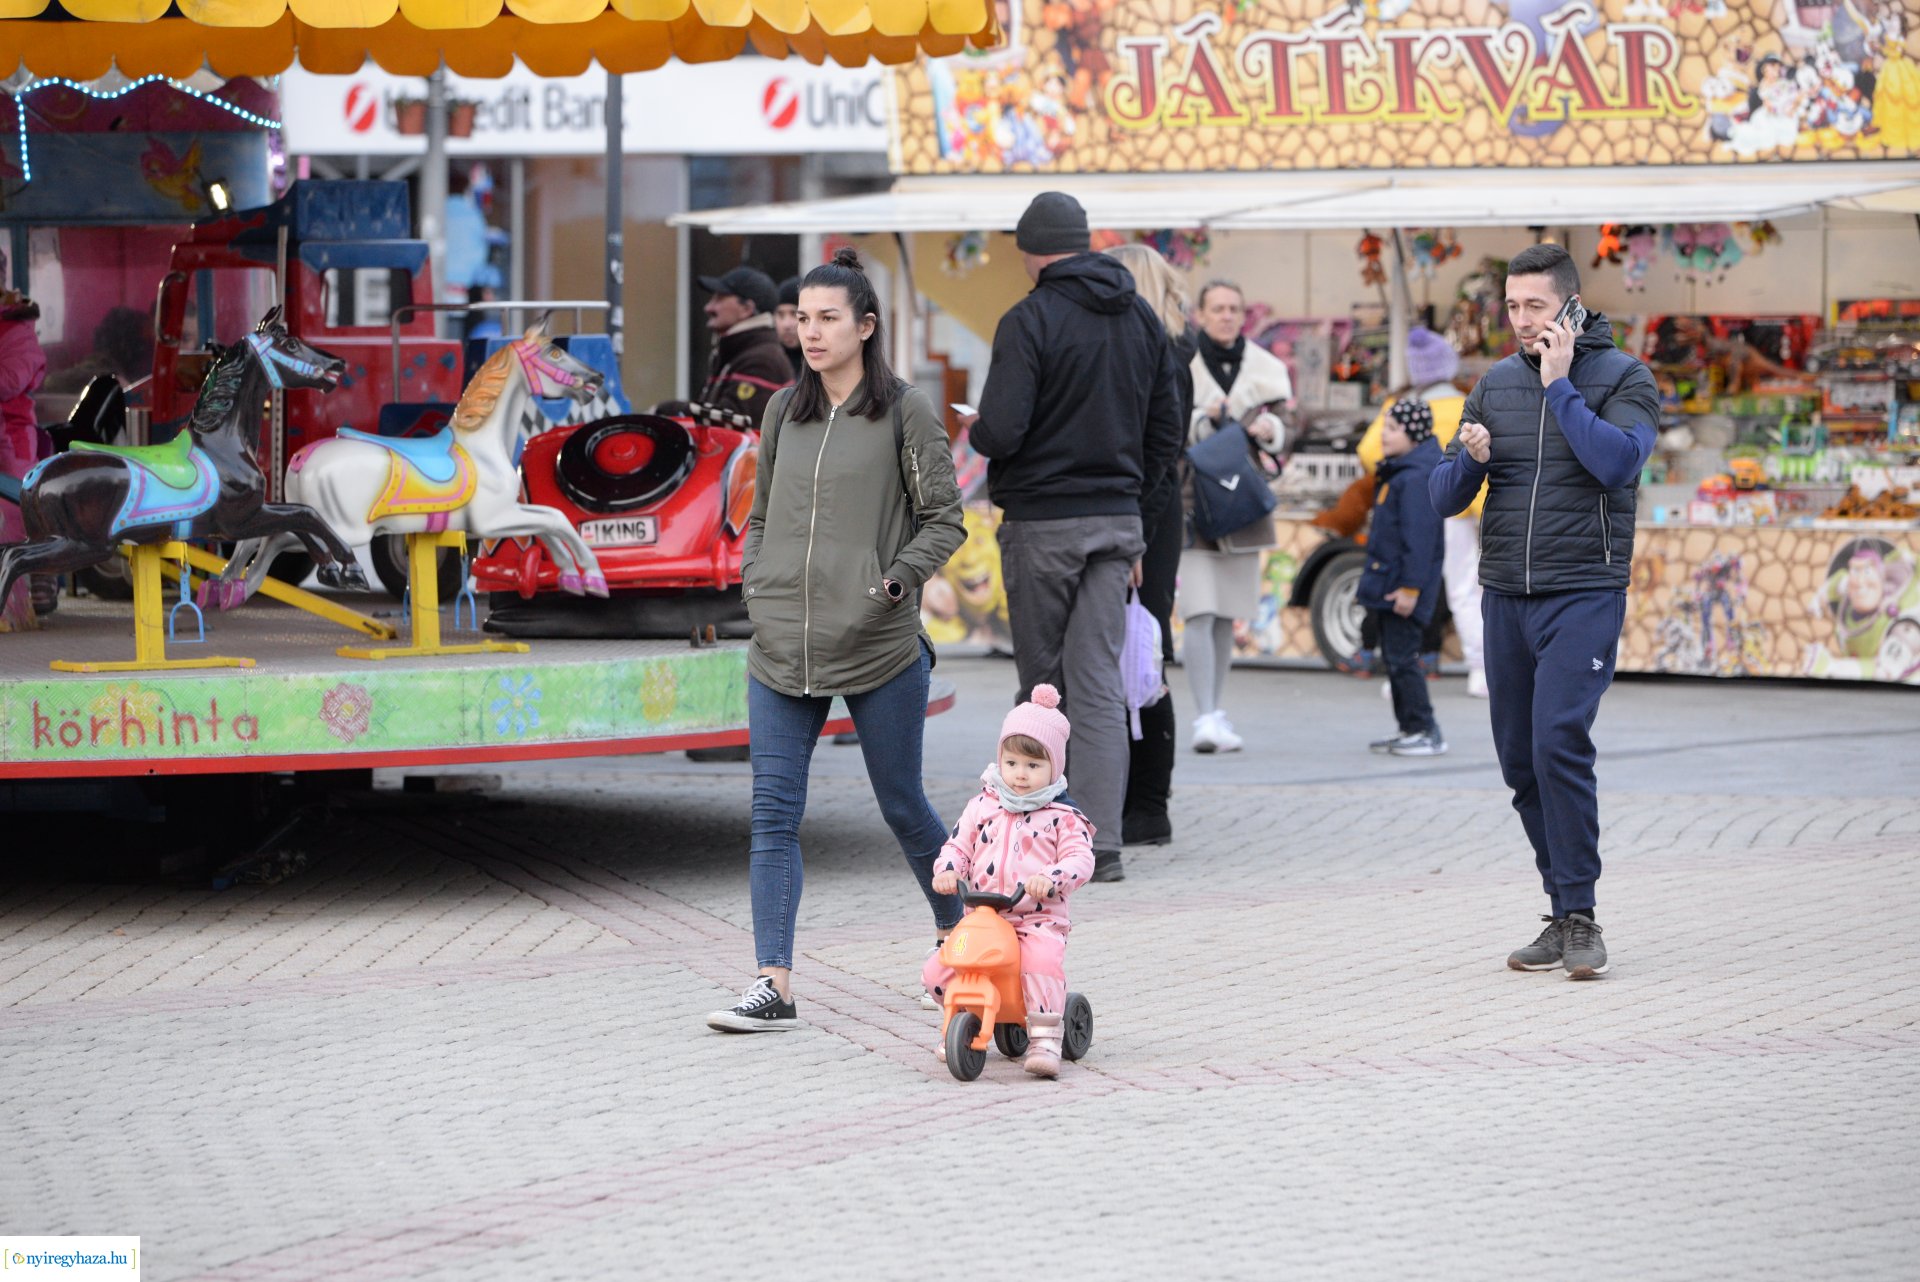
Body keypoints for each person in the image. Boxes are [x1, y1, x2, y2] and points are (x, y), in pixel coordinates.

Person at [705, 248, 967, 1033]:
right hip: (782, 645)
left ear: (865, 327)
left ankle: (964, 935)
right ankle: (773, 983)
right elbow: (761, 514)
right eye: (802, 319)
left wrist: (891, 586)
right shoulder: (784, 410)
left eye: (826, 319)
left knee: (902, 805)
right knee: (772, 813)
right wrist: (759, 578)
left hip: (879, 644)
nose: (808, 333)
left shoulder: (906, 411)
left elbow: (944, 518)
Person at [1430, 243, 1659, 981]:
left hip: (1584, 590)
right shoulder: (1493, 385)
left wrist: (1561, 388)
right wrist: (1468, 460)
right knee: (1521, 762)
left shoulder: (1623, 377)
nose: (1521, 321)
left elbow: (1620, 462)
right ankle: (1560, 910)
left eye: (1534, 306)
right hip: (1506, 595)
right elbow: (1442, 498)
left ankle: (1584, 915)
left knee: (1559, 740)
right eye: (1512, 306)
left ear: (1570, 304)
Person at [963, 191, 1184, 884]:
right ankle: (1101, 844)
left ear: (1031, 251)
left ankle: (1037, 841)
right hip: (1118, 521)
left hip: (1043, 523)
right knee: (1096, 686)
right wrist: (1136, 510)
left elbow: (1000, 428)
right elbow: (1166, 431)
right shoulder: (1141, 317)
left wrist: (977, 429)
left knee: (1042, 687)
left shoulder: (1028, 319)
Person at [924, 684, 1094, 1078]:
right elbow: (958, 844)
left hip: (1035, 919)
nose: (1020, 774)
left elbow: (1080, 859)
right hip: (984, 914)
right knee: (942, 967)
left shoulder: (1062, 816)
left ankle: (1046, 1039)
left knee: (1040, 963)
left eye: (1033, 767)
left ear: (1055, 767)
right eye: (1012, 762)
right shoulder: (983, 805)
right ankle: (959, 1020)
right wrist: (948, 870)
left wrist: (1050, 878)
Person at [1102, 242, 1191, 847]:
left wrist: (1136, 538)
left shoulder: (1165, 355)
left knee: (1142, 657)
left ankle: (1148, 804)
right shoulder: (1155, 351)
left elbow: (1162, 458)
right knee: (1130, 656)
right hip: (1144, 521)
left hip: (1149, 524)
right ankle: (1135, 797)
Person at [1182, 279, 1289, 753]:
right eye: (1218, 308)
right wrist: (1200, 419)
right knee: (1199, 610)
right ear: (1200, 314)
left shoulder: (1267, 368)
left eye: (1234, 308)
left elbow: (1293, 422)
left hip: (1241, 504)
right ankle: (1204, 714)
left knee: (1226, 614)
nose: (1226, 316)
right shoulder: (1180, 363)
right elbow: (1160, 421)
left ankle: (1216, 710)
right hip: (1190, 501)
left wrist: (1273, 428)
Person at [1353, 326, 1487, 696]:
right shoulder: (1466, 403)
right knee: (1465, 589)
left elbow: (1367, 452)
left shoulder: (1401, 407)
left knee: (1410, 584)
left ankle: (1404, 667)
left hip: (1414, 505)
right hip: (1460, 511)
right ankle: (1481, 670)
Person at [1359, 399, 1448, 756]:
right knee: (1395, 659)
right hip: (1391, 584)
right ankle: (1409, 727)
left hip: (1403, 588)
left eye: (1393, 428)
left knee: (1403, 658)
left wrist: (1411, 588)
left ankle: (1426, 729)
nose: (1385, 434)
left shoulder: (1414, 477)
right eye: (1385, 426)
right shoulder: (1400, 471)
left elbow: (1420, 539)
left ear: (1414, 433)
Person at [693, 266, 792, 429]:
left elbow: (733, 425)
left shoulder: (762, 360)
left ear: (746, 309)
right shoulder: (735, 353)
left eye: (719, 298)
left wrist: (669, 411)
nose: (708, 307)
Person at [0, 284, 46, 633]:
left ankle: (15, 607)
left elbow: (12, 379)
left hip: (11, 437)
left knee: (13, 519)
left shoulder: (17, 330)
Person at [774, 276, 804, 379]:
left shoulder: (824, 365)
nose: (786, 324)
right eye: (780, 315)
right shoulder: (768, 362)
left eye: (794, 313)